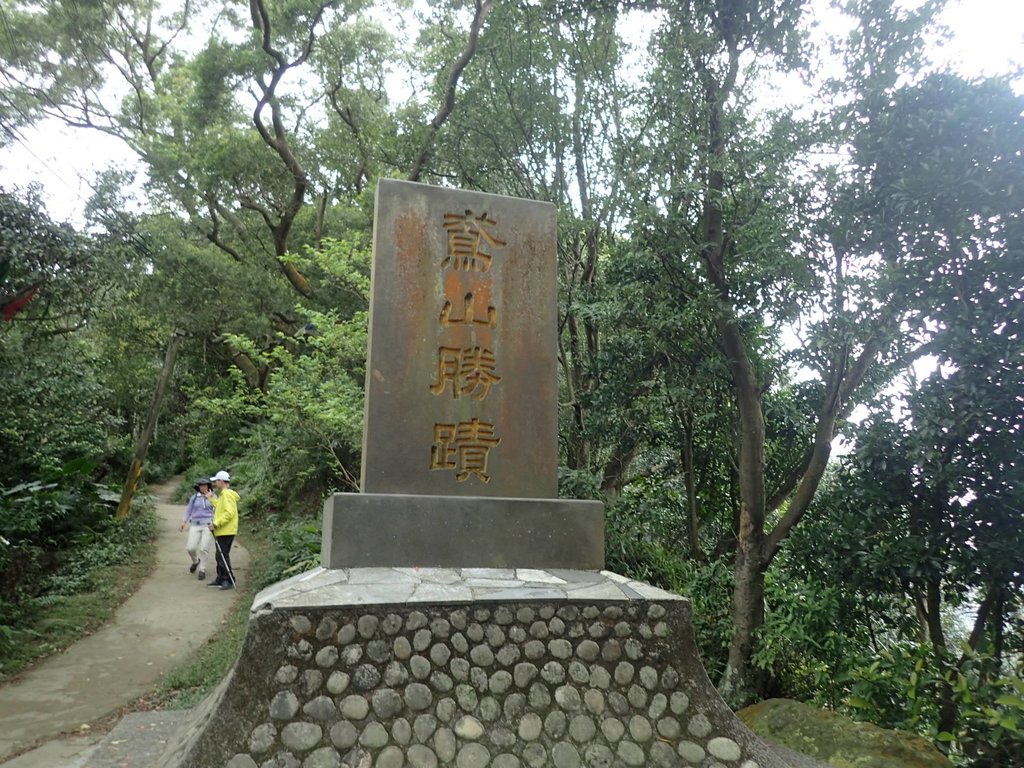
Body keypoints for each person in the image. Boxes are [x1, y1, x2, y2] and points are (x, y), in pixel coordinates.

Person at [208, 470, 239, 590]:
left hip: (226, 530)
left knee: (222, 556)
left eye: (216, 481)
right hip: (223, 530)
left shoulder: (227, 495)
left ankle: (228, 579)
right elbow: (221, 507)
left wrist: (216, 524)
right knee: (219, 555)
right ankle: (220, 578)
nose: (215, 483)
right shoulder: (224, 495)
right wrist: (211, 499)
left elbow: (229, 513)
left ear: (221, 481)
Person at [180, 478, 214, 580]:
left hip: (208, 525)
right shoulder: (194, 498)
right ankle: (195, 561)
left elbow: (218, 509)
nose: (203, 487)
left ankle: (202, 569)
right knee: (190, 548)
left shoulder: (213, 497)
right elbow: (188, 511)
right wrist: (183, 522)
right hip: (195, 524)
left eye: (205, 485)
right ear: (198, 487)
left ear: (208, 486)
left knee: (204, 548)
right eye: (201, 485)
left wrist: (211, 498)